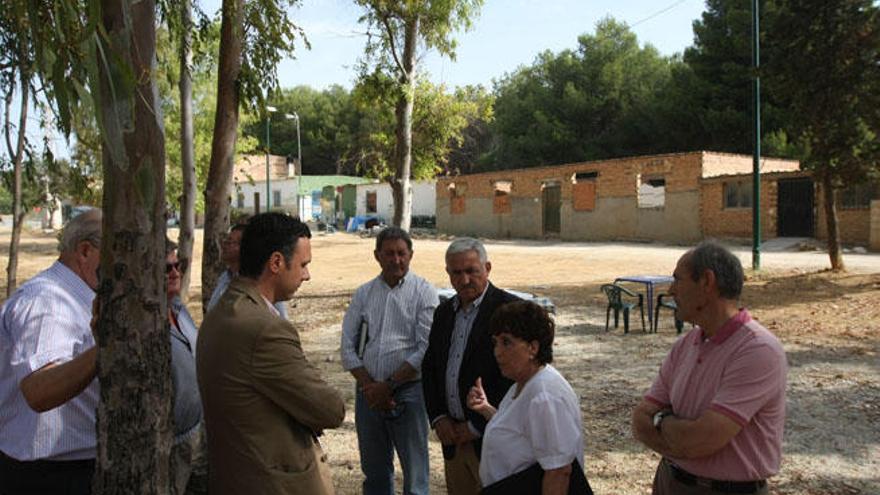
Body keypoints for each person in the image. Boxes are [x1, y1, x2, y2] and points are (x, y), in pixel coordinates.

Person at [197, 212, 345, 495]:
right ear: (276, 262)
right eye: (303, 265)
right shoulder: (264, 330)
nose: (307, 275)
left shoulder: (225, 310)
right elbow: (330, 408)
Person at [631, 241, 787, 495]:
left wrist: (662, 421)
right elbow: (640, 420)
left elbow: (701, 440)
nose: (671, 291)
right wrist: (680, 440)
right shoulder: (685, 344)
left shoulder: (758, 351)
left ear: (706, 281)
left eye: (677, 280)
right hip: (671, 481)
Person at [0, 209, 103, 495]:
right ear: (85, 251)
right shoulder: (48, 303)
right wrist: (105, 349)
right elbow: (39, 390)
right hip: (49, 477)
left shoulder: (73, 296)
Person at [340, 227, 439, 495]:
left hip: (409, 392)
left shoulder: (424, 292)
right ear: (377, 256)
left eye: (401, 253)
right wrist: (372, 388)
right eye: (389, 253)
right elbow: (347, 347)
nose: (396, 260)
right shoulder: (364, 293)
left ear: (411, 255)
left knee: (415, 473)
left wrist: (390, 386)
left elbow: (425, 349)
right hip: (368, 393)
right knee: (374, 472)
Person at [421, 237, 519, 495]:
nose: (464, 280)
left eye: (471, 271)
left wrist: (476, 425)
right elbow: (430, 367)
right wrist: (438, 417)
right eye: (456, 272)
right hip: (452, 438)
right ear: (448, 273)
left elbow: (517, 377)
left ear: (487, 268)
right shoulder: (443, 313)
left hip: (492, 439)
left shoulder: (509, 310)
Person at [467, 301, 589, 495]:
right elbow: (521, 431)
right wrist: (487, 410)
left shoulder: (545, 396)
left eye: (506, 342)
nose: (497, 352)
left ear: (533, 347)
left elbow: (559, 471)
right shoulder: (524, 382)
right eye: (495, 342)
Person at [164, 240, 207, 495]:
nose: (175, 273)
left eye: (178, 266)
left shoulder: (180, 311)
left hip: (199, 433)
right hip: (171, 445)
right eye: (166, 268)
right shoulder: (143, 322)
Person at [206, 221, 288, 318]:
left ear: (246, 248)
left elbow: (280, 320)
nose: (225, 245)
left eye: (231, 242)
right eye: (226, 240)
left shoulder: (262, 283)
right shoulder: (224, 277)